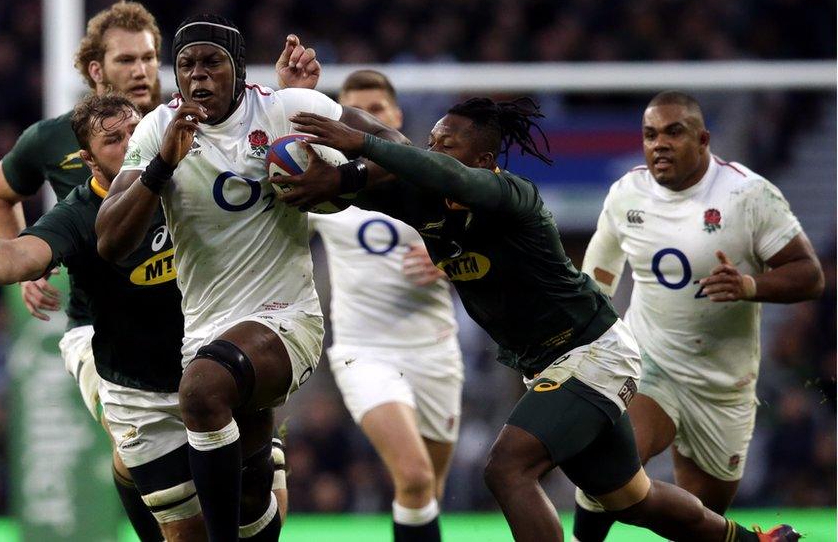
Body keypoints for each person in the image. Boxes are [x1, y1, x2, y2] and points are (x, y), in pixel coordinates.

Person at [270, 97, 800, 542]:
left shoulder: (509, 195)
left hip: (591, 353)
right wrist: (309, 117)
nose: (435, 152)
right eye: (433, 142)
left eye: (449, 144)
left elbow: (410, 159)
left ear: (484, 159)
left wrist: (358, 156)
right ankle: (748, 540)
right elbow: (390, 141)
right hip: (554, 363)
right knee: (630, 497)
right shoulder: (423, 199)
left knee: (508, 467)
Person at [94, 12, 406, 542]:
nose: (198, 76)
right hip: (205, 332)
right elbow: (110, 240)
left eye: (212, 63)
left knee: (201, 391)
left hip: (287, 322)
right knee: (251, 494)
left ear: (238, 69)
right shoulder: (158, 129)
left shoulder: (288, 109)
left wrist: (339, 176)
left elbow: (397, 147)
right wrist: (161, 166)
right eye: (187, 65)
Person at [0, 93, 295, 541]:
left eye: (136, 130)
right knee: (188, 535)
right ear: (88, 161)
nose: (131, 142)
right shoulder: (79, 213)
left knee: (262, 518)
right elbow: (22, 252)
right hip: (141, 396)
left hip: (218, 372)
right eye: (114, 139)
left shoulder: (193, 174)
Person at [571, 90, 824, 542]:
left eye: (674, 132)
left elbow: (810, 275)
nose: (659, 144)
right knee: (607, 466)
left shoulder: (747, 194)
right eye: (650, 135)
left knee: (699, 523)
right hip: (649, 363)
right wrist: (583, 341)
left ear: (703, 139)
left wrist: (750, 285)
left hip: (723, 384)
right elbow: (599, 273)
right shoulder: (628, 192)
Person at [0, 2, 165, 539]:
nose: (141, 70)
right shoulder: (52, 139)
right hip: (97, 325)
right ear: (95, 70)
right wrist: (25, 262)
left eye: (149, 58)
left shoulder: (182, 126)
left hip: (188, 314)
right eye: (126, 59)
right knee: (135, 441)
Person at [310, 69, 461, 542]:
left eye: (373, 111)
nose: (361, 120)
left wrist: (453, 260)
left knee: (427, 491)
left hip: (436, 352)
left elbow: (496, 243)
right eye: (350, 111)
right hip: (364, 351)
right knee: (413, 476)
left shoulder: (433, 178)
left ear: (395, 116)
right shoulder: (326, 188)